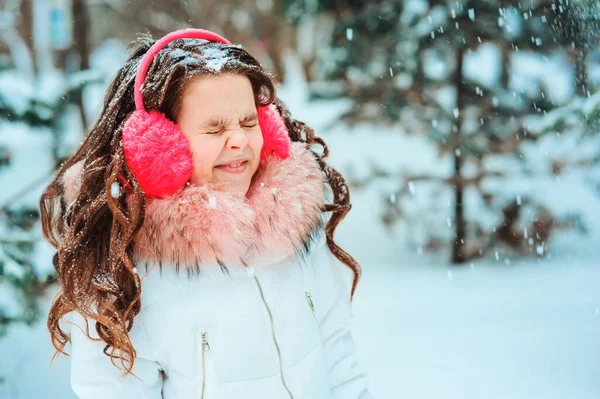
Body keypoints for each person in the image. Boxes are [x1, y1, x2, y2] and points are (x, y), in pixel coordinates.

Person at [40, 28, 372, 399]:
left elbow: (339, 360)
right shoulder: (126, 265)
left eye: (249, 122)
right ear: (157, 148)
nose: (239, 140)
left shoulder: (295, 225)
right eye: (214, 128)